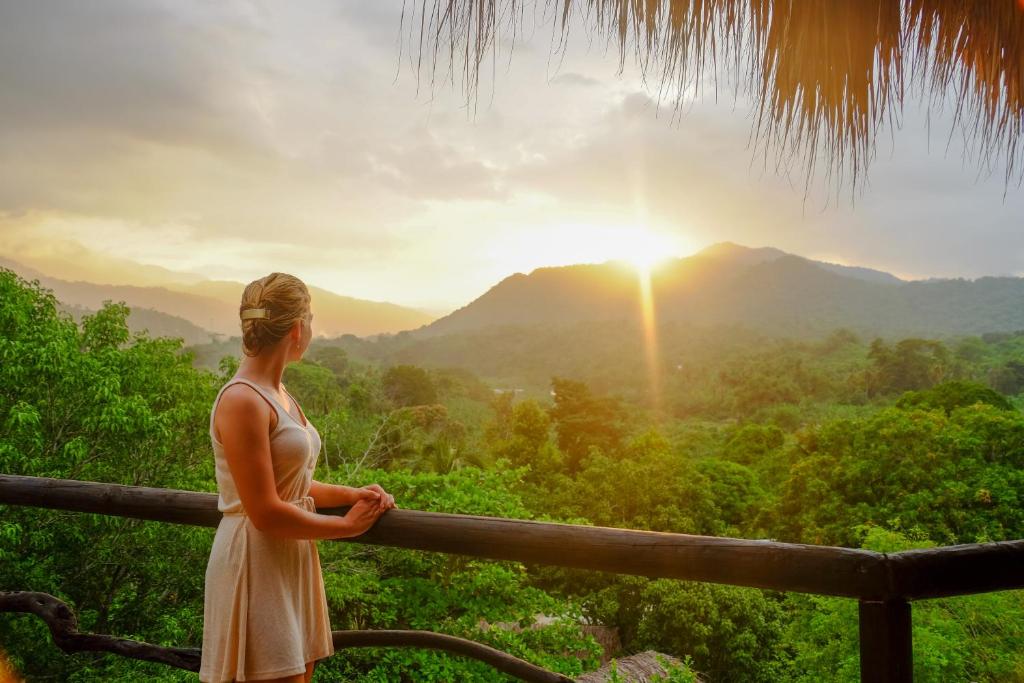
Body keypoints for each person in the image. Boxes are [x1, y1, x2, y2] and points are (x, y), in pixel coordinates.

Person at [199, 272, 395, 683]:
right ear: (296, 328)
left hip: (291, 556)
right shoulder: (241, 400)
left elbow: (290, 485)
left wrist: (351, 493)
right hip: (255, 559)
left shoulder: (279, 395)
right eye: (311, 320)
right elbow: (265, 510)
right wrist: (344, 526)